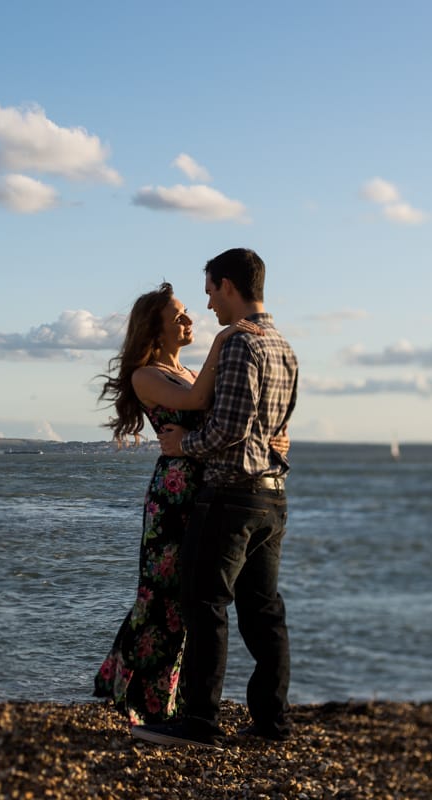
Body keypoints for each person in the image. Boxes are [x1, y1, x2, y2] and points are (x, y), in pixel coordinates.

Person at [93, 282, 289, 726]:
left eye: (187, 312)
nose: (189, 319)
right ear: (154, 328)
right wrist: (225, 339)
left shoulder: (188, 370)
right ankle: (142, 697)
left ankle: (168, 700)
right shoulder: (146, 374)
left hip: (212, 490)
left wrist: (271, 437)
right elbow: (198, 402)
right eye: (178, 314)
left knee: (193, 600)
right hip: (175, 496)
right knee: (164, 595)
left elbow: (229, 418)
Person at [131, 247, 299, 749]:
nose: (207, 307)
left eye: (209, 293)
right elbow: (275, 427)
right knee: (264, 610)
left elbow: (227, 426)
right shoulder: (284, 346)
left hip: (229, 494)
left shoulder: (241, 345)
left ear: (228, 286)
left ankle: (199, 721)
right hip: (273, 494)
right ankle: (272, 722)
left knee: (205, 605)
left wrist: (186, 444)